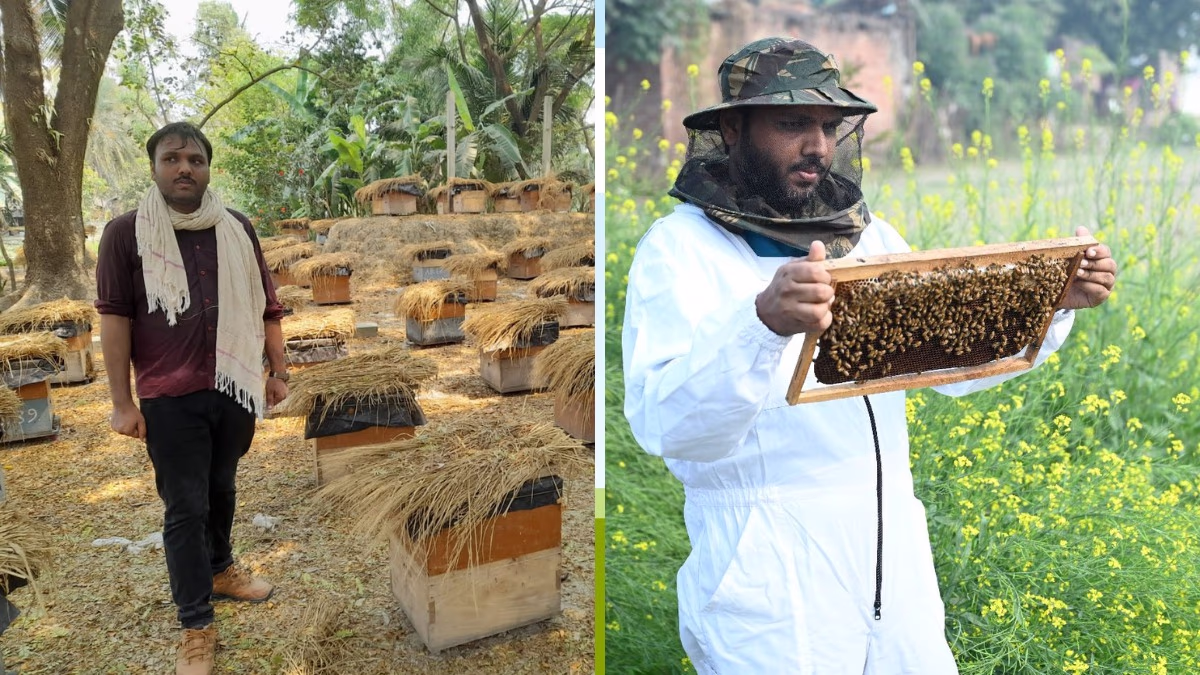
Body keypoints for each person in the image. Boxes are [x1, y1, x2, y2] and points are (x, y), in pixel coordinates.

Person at [621, 38, 1117, 674]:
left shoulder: (865, 236)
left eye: (829, 126)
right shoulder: (678, 252)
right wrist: (760, 324)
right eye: (794, 123)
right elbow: (667, 426)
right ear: (734, 128)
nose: (818, 146)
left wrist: (1051, 300)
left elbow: (941, 362)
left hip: (894, 561)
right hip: (770, 574)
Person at [95, 122, 289, 675]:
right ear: (154, 167)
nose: (185, 168)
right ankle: (195, 623)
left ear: (208, 167)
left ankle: (222, 568)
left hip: (233, 386)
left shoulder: (237, 228)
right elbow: (115, 319)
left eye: (196, 159)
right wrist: (121, 401)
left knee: (222, 486)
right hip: (168, 394)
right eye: (172, 158)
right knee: (185, 507)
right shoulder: (125, 233)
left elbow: (267, 306)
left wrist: (278, 371)